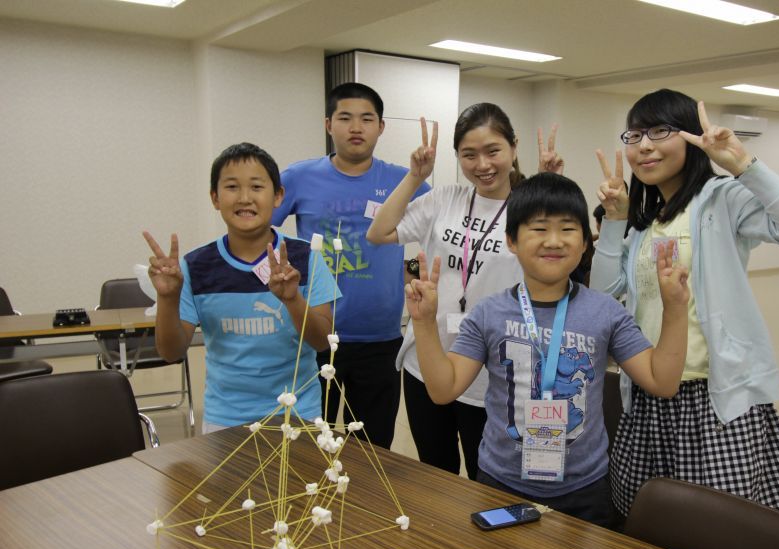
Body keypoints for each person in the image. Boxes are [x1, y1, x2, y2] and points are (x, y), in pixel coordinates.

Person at [591, 89, 779, 516]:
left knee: (715, 530)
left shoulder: (722, 198)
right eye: (635, 134)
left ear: (692, 138)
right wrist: (615, 220)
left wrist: (743, 166)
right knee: (646, 522)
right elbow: (605, 294)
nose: (644, 146)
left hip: (713, 398)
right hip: (649, 392)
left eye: (660, 131)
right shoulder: (647, 225)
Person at [405, 172, 689, 528]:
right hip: (500, 482)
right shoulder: (489, 312)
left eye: (568, 229)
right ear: (511, 241)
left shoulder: (605, 312)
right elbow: (443, 389)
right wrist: (424, 322)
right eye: (538, 229)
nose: (553, 241)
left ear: (586, 243)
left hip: (586, 487)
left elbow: (662, 382)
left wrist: (676, 310)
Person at [367, 104, 563, 479]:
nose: (482, 164)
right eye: (468, 155)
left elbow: (558, 261)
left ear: (514, 147)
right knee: (434, 474)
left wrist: (548, 187)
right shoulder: (445, 199)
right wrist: (414, 177)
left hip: (493, 371)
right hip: (427, 359)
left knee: (486, 475)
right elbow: (379, 233)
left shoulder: (529, 208)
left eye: (493, 151)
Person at [272, 83, 430, 449]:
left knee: (374, 449)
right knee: (310, 446)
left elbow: (444, 223)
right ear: (329, 124)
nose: (355, 127)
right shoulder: (298, 177)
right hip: (315, 337)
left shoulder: (403, 181)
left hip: (381, 339)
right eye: (345, 118)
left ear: (381, 127)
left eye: (366, 119)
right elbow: (262, 233)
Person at [144, 142, 339, 433]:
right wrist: (168, 297)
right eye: (232, 187)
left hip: (297, 414)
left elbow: (323, 341)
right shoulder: (195, 266)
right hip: (225, 419)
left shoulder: (305, 258)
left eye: (257, 187)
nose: (245, 198)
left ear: (278, 196)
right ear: (215, 197)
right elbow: (171, 352)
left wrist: (293, 300)